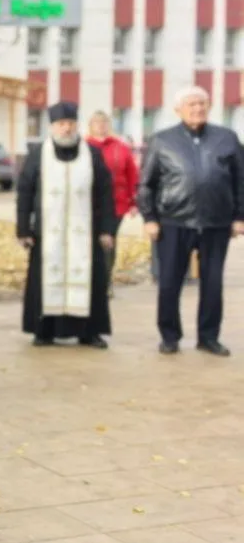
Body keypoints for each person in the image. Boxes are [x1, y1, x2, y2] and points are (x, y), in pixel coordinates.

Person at [138, 86, 244, 356]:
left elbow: (240, 180)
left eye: (201, 103)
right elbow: (146, 184)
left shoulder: (227, 138)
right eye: (190, 104)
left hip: (215, 223)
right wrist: (149, 217)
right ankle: (170, 336)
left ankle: (208, 338)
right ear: (178, 110)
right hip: (173, 222)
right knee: (169, 282)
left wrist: (240, 216)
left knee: (212, 284)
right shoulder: (162, 140)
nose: (197, 108)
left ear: (208, 107)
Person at [16, 102, 117, 349]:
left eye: (70, 123)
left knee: (91, 280)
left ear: (77, 125)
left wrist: (107, 229)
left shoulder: (91, 154)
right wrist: (23, 229)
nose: (66, 128)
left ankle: (89, 332)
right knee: (44, 279)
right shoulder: (38, 153)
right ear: (52, 126)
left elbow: (105, 193)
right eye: (61, 124)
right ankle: (44, 330)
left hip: (85, 232)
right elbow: (25, 192)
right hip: (47, 232)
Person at [86, 111, 140, 294]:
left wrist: (134, 201)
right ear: (90, 125)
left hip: (117, 203)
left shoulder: (120, 147)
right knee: (90, 243)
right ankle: (89, 282)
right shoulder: (83, 146)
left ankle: (105, 283)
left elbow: (132, 174)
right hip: (89, 204)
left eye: (104, 122)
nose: (101, 125)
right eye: (97, 122)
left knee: (108, 242)